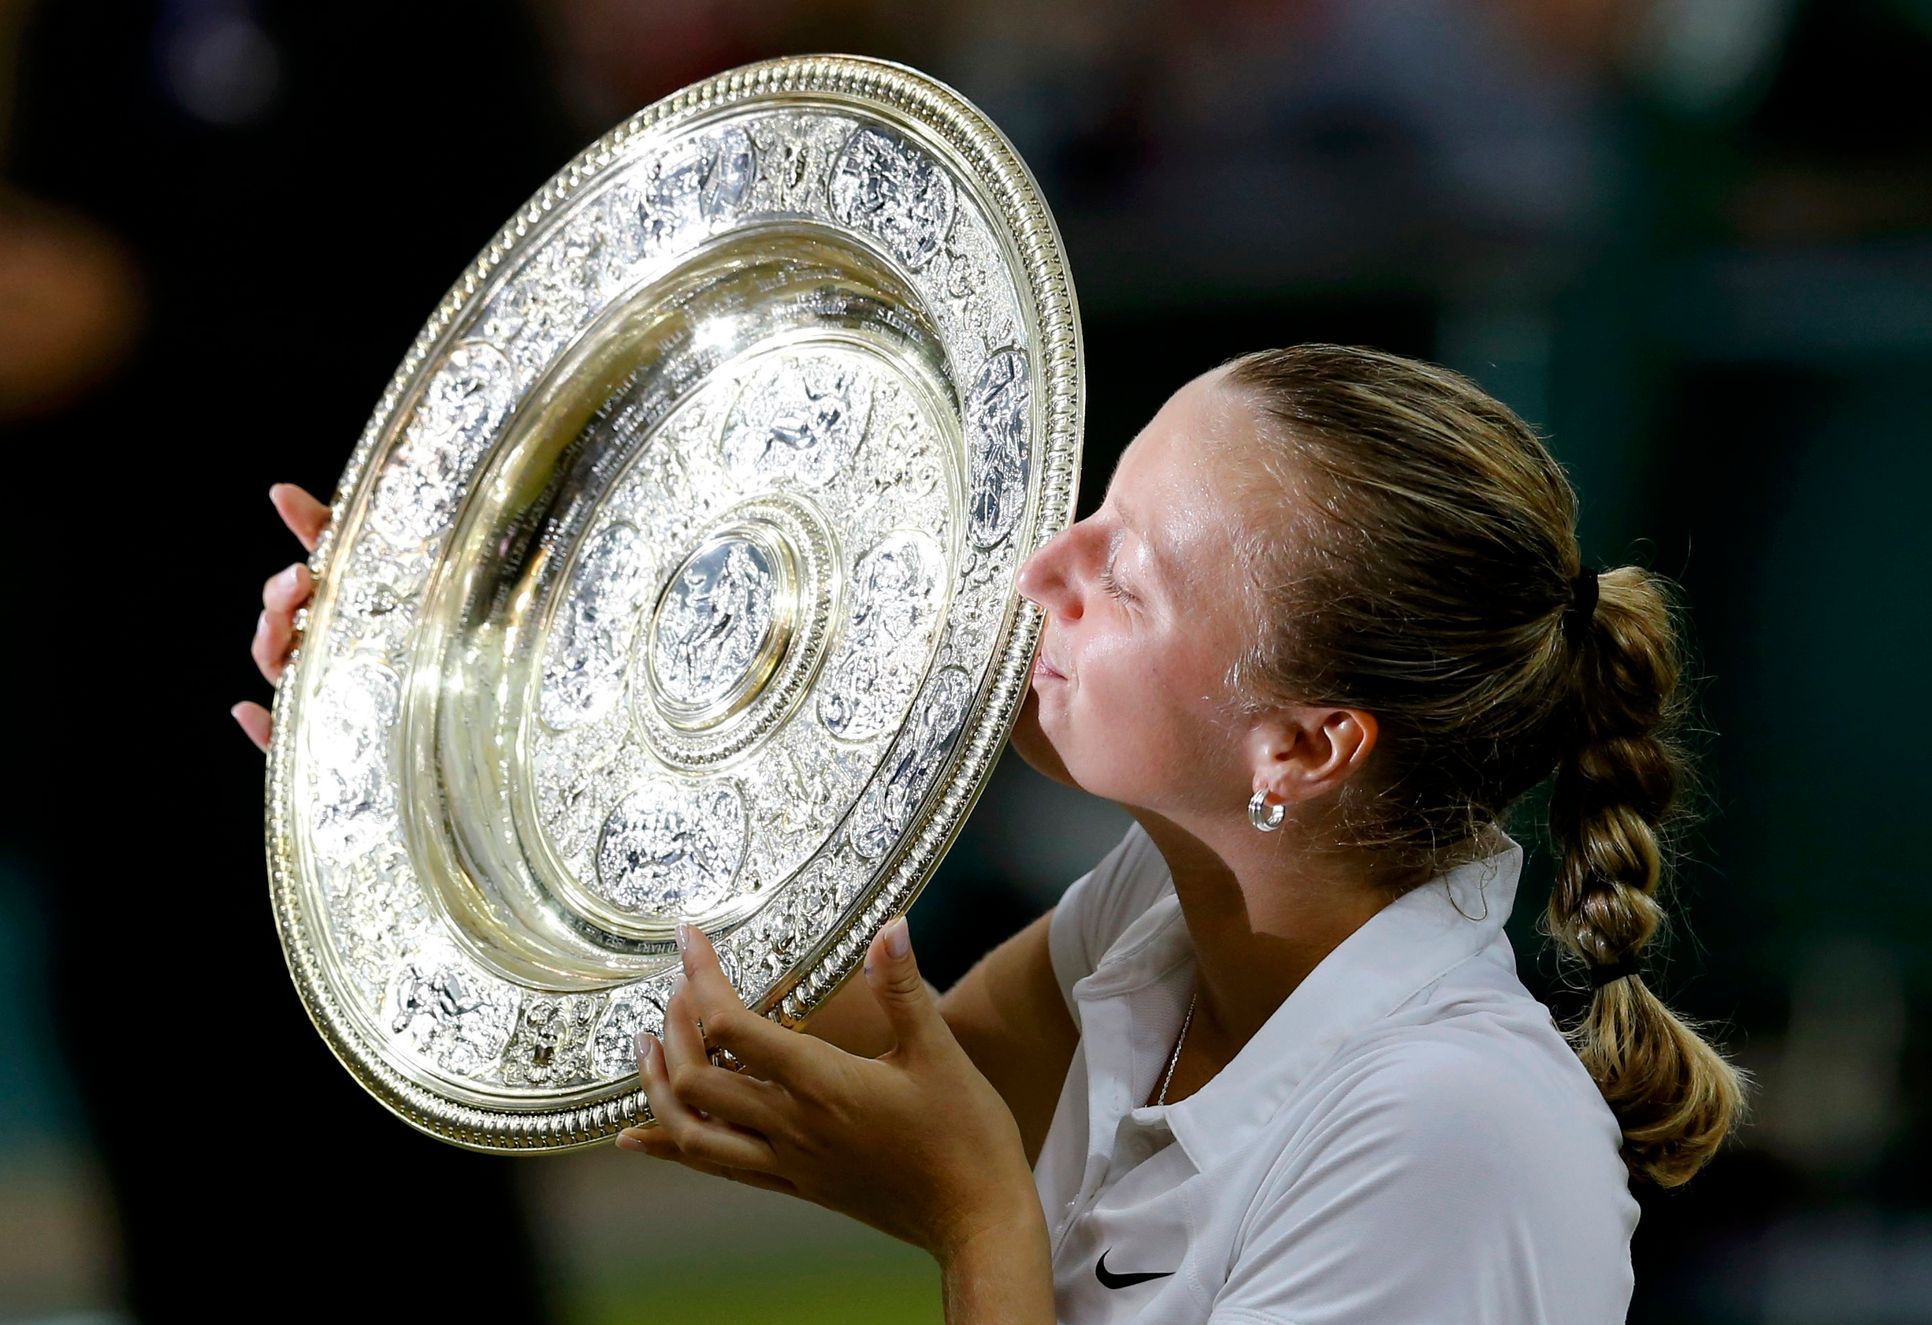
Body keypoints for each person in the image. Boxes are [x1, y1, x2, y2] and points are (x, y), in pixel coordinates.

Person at [235, 343, 1749, 1323]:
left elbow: (935, 1147)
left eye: (1127, 577)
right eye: (1099, 503)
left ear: (1300, 744)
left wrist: (975, 1219)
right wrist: (436, 718)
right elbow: (804, 1058)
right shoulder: (1156, 916)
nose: (1044, 563)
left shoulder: (1446, 1137)